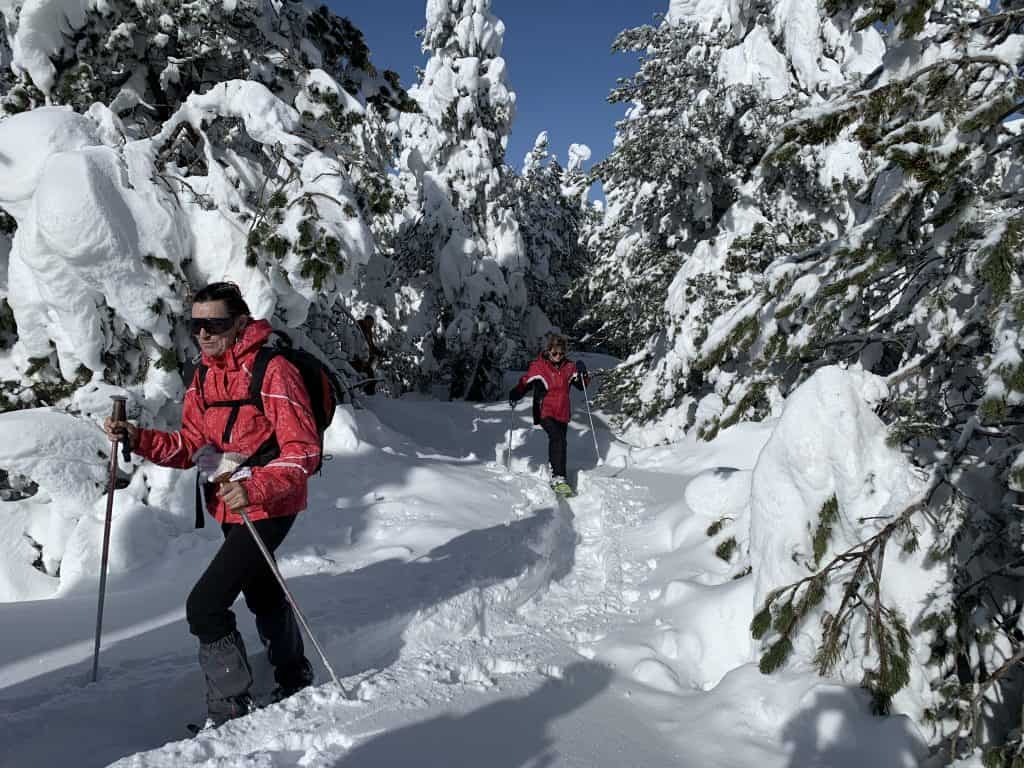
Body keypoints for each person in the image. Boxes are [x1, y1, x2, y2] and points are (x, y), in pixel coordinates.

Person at [103, 282, 319, 727]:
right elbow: (189, 446)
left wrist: (256, 487)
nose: (203, 333)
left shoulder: (273, 371)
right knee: (260, 588)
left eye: (215, 324)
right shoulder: (204, 375)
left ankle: (230, 707)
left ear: (240, 322)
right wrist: (137, 438)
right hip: (228, 502)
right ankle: (293, 673)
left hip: (271, 502)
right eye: (196, 324)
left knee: (205, 606)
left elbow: (303, 451)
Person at [508, 333, 589, 495]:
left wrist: (583, 372)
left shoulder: (569, 367)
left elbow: (583, 386)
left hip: (562, 411)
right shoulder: (539, 366)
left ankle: (560, 477)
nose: (558, 357)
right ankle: (557, 477)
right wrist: (515, 394)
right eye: (555, 353)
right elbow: (526, 382)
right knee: (557, 438)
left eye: (561, 353)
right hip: (544, 409)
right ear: (548, 351)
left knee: (561, 442)